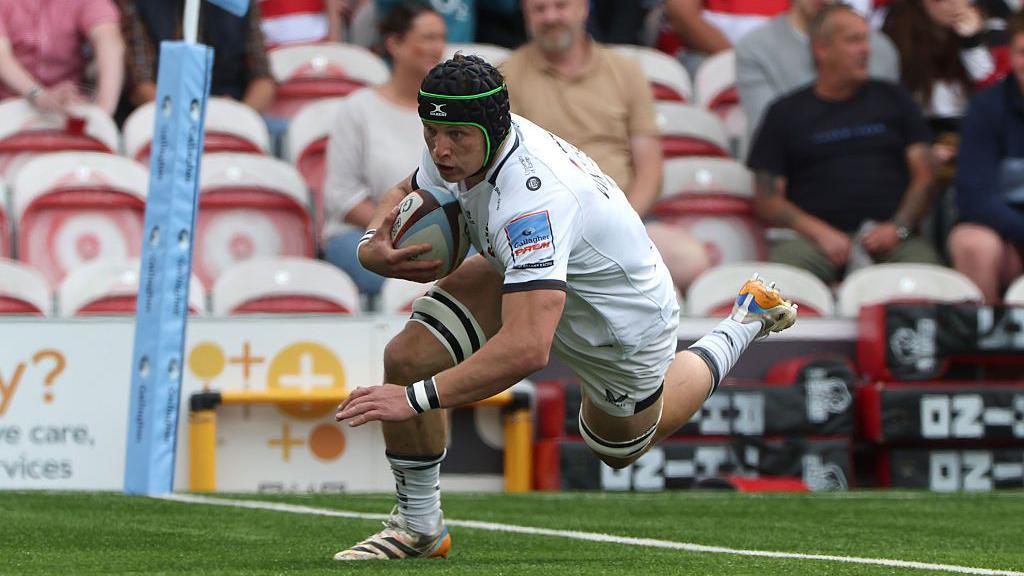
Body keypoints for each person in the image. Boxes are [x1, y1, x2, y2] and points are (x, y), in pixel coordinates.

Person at [332, 54, 797, 560]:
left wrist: (416, 400)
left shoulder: (535, 199)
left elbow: (529, 349)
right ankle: (420, 528)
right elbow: (409, 189)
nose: (440, 149)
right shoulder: (460, 139)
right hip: (533, 274)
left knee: (619, 448)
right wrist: (372, 241)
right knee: (408, 358)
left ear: (493, 128)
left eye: (456, 136)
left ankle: (743, 320)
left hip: (619, 321)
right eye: (430, 132)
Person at [502, 0, 710, 290]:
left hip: (623, 217)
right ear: (526, 16)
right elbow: (509, 170)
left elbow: (650, 170)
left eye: (560, 6)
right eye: (539, 9)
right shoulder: (506, 77)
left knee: (691, 259)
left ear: (584, 8)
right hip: (544, 225)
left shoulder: (625, 71)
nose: (550, 17)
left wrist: (621, 223)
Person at [747, 4, 941, 285]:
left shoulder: (894, 99)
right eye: (854, 40)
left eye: (866, 39)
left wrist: (897, 228)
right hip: (812, 242)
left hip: (892, 240)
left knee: (932, 281)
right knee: (776, 284)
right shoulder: (785, 113)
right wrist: (819, 232)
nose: (866, 49)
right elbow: (766, 198)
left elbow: (926, 174)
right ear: (822, 49)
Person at [322, 2, 446, 297]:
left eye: (441, 38)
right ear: (394, 44)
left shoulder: (451, 114)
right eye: (427, 38)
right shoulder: (358, 108)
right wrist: (402, 228)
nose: (438, 47)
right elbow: (341, 197)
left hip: (441, 233)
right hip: (364, 231)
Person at [736, 0, 900, 137]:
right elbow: (769, 133)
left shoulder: (877, 48)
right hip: (792, 168)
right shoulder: (756, 48)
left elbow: (889, 124)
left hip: (868, 162)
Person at [948, 13, 1024, 303]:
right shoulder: (987, 106)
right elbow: (974, 198)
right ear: (1011, 56)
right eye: (1023, 53)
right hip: (1004, 232)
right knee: (972, 242)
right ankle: (983, 342)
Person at [119, 0, 275, 114]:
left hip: (232, 109)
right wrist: (190, 118)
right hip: (166, 115)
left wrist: (237, 116)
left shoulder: (239, 4)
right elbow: (141, 84)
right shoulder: (139, 4)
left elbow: (262, 78)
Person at [0, 0, 124, 115]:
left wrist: (104, 109)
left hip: (69, 105)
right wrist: (39, 94)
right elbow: (2, 56)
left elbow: (108, 39)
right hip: (7, 104)